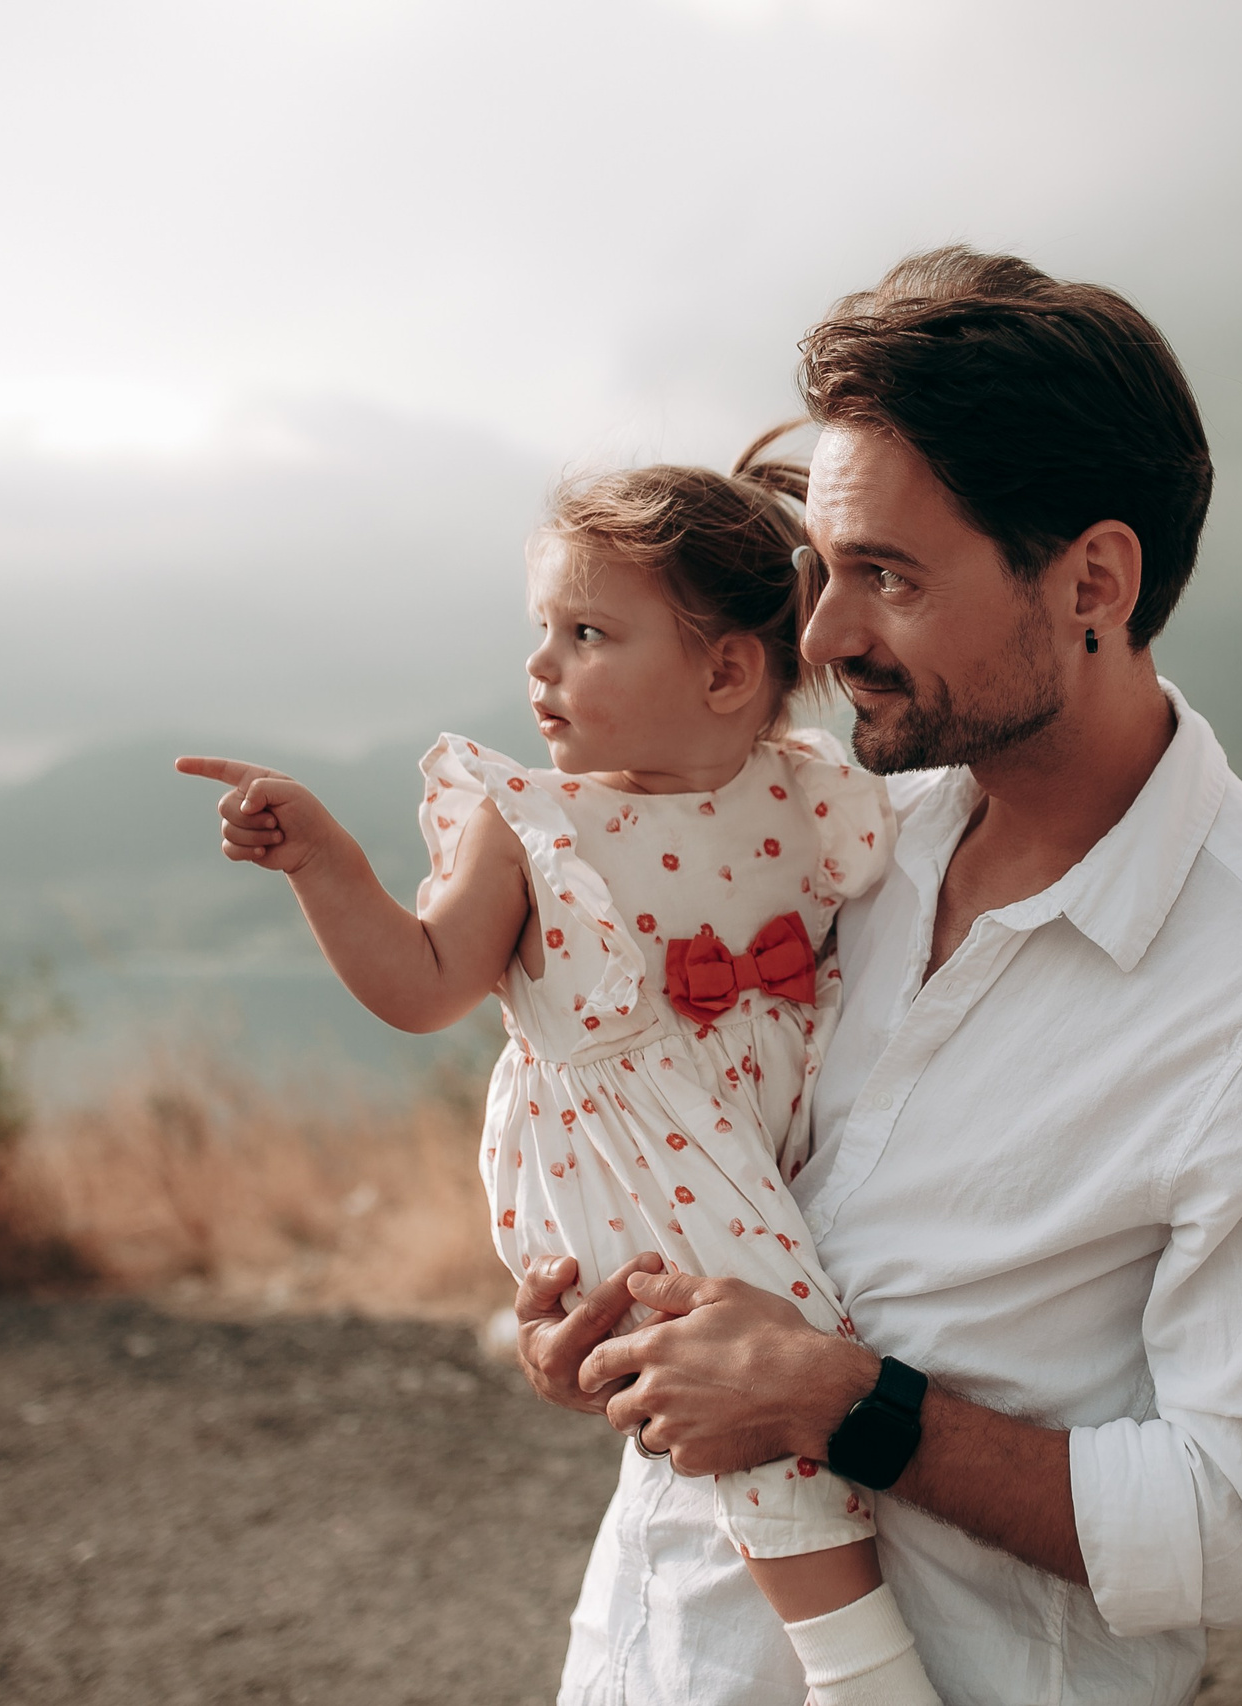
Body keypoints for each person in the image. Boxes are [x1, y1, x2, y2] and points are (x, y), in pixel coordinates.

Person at [510, 248, 1242, 1706]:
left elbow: (1238, 1530)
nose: (822, 637)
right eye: (824, 569)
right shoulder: (833, 843)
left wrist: (834, 1400)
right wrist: (614, 1331)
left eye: (888, 576)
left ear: (1093, 582)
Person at [174, 434, 947, 1705]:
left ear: (727, 670)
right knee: (756, 1361)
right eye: (542, 630)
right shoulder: (533, 825)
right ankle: (864, 1670)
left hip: (759, 1149)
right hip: (625, 1156)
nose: (540, 664)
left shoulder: (808, 794)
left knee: (793, 1349)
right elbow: (424, 982)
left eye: (586, 633)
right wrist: (323, 861)